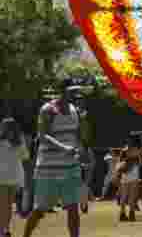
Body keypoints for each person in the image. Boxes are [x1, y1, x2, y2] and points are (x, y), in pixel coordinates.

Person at [21, 83, 84, 237]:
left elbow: (76, 135)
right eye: (72, 90)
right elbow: (43, 136)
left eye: (77, 91)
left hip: (71, 168)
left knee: (73, 208)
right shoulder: (48, 109)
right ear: (62, 91)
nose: (76, 94)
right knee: (40, 210)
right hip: (48, 169)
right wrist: (64, 148)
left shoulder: (75, 111)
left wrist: (80, 150)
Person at [1, 118, 28, 237]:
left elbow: (25, 156)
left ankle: (5, 229)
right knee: (4, 205)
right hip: (3, 178)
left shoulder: (19, 142)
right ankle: (3, 230)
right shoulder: (3, 141)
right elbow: (25, 156)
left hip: (13, 177)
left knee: (8, 205)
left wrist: (20, 145)